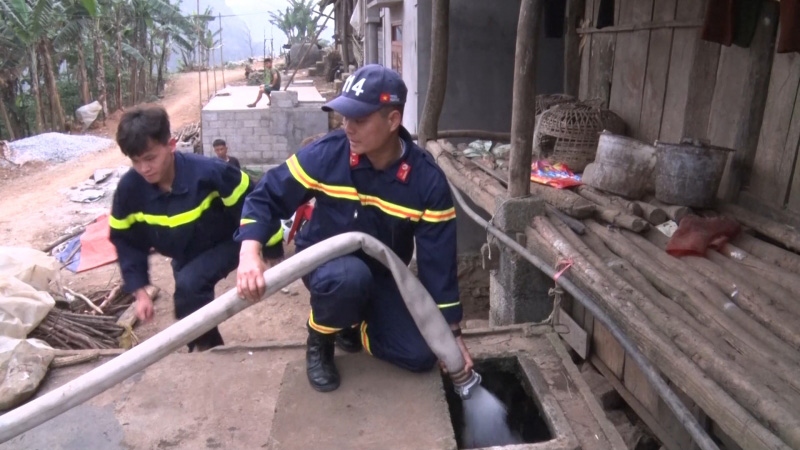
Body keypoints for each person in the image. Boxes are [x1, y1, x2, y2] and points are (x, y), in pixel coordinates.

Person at [235, 64, 474, 392]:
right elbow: (265, 195)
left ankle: (355, 323)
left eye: (359, 119)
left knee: (421, 356)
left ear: (392, 121)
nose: (347, 127)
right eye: (344, 116)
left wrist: (452, 335)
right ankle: (320, 337)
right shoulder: (326, 155)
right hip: (325, 265)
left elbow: (438, 266)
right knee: (348, 278)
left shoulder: (426, 182)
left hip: (382, 273)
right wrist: (250, 252)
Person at [109, 105, 263, 352]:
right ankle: (207, 347)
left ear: (171, 145)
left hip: (230, 241)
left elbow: (256, 204)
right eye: (136, 161)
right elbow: (127, 241)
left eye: (150, 158)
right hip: (185, 253)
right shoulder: (130, 190)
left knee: (190, 286)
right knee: (187, 301)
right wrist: (139, 291)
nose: (144, 169)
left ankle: (206, 349)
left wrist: (265, 250)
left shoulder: (210, 172)